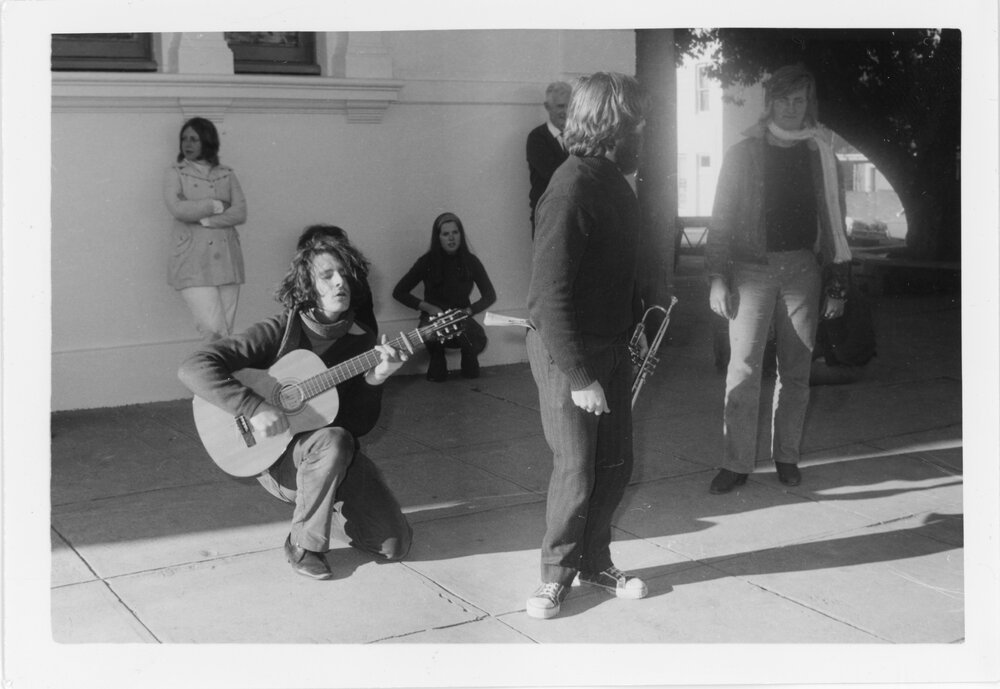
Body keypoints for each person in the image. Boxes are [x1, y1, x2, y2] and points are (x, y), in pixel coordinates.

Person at [178, 227, 413, 580]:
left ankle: (320, 504)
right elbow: (193, 367)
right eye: (328, 275)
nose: (340, 283)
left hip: (328, 456)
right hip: (277, 461)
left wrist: (377, 377)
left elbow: (356, 425)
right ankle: (303, 543)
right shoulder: (279, 331)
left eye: (346, 274)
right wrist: (253, 408)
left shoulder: (360, 342)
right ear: (307, 285)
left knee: (394, 546)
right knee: (333, 440)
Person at [524, 72, 654, 619]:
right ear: (614, 125)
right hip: (566, 352)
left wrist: (636, 323)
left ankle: (595, 560)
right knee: (577, 467)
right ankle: (555, 577)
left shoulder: (614, 183)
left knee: (616, 463)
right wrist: (580, 378)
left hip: (610, 343)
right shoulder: (571, 185)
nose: (644, 129)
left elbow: (620, 269)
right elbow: (546, 299)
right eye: (636, 121)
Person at [704, 63, 852, 495]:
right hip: (752, 270)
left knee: (797, 370)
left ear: (809, 105)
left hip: (803, 270)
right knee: (743, 368)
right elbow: (722, 218)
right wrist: (717, 276)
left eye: (800, 99)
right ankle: (736, 463)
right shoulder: (743, 153)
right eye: (784, 99)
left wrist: (838, 284)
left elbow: (835, 221)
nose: (792, 107)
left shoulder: (820, 153)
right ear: (770, 103)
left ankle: (786, 457)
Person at [164, 116, 248, 341]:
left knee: (226, 331)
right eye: (184, 139)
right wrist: (216, 204)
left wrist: (208, 221)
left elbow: (239, 212)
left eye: (194, 139)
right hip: (194, 260)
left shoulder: (226, 174)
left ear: (207, 142)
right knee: (212, 329)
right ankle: (215, 374)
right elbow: (178, 209)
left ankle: (223, 374)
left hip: (227, 260)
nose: (187, 144)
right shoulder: (176, 173)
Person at [392, 212, 497, 381]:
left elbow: (490, 295)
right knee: (437, 374)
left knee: (474, 354)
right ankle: (437, 360)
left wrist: (468, 311)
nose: (451, 238)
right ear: (438, 237)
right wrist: (430, 308)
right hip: (433, 320)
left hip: (460, 318)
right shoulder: (426, 261)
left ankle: (468, 360)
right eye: (445, 234)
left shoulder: (471, 261)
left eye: (455, 233)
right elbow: (399, 292)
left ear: (461, 235)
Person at [526, 81, 572, 236]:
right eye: (560, 106)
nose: (565, 112)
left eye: (568, 106)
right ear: (547, 107)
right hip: (547, 217)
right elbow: (555, 175)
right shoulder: (536, 138)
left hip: (573, 215)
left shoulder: (578, 137)